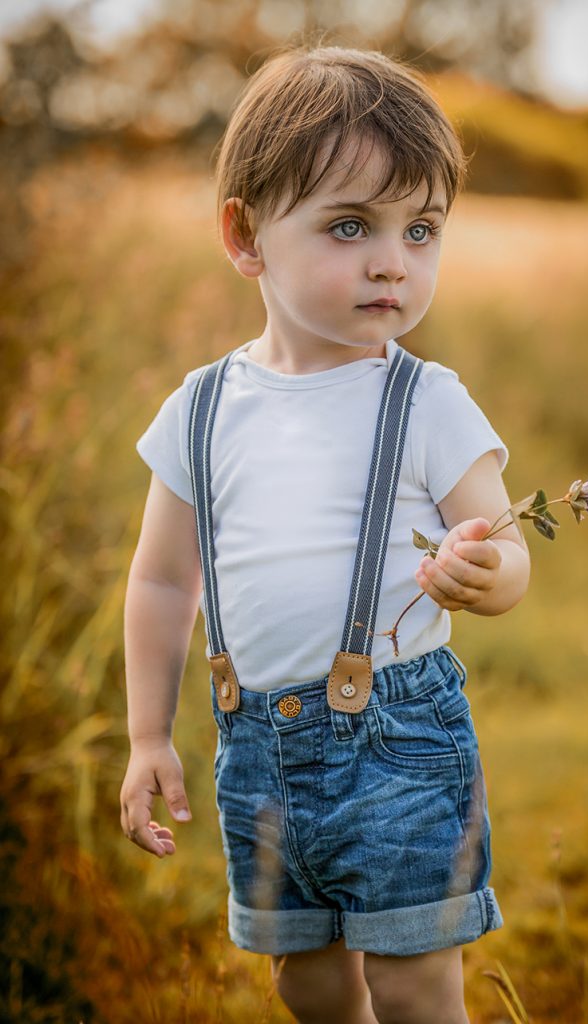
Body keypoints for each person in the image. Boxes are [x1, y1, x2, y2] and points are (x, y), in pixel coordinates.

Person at [120, 43, 531, 1024]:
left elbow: (506, 541)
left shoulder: (425, 401)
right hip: (251, 746)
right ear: (245, 233)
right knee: (306, 980)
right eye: (351, 225)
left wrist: (490, 571)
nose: (393, 259)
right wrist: (144, 734)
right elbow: (162, 581)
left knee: (412, 980)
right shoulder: (202, 407)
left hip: (397, 743)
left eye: (420, 229)